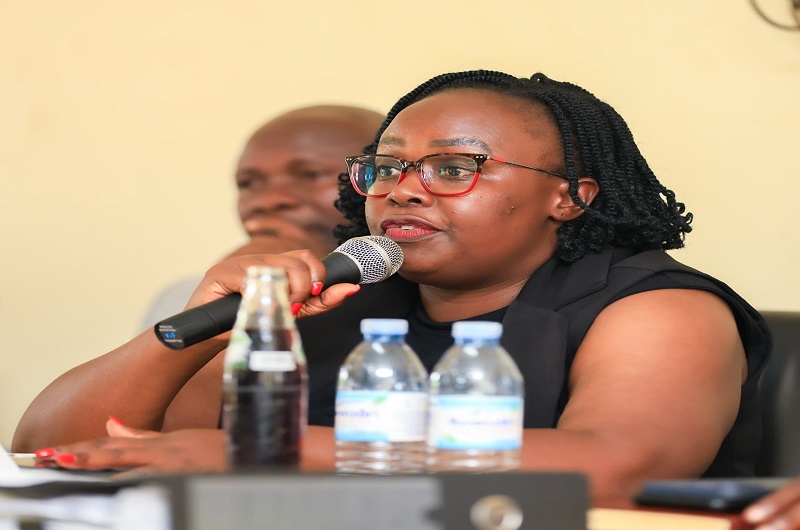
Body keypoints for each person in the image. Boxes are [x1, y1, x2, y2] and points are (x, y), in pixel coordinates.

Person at [13, 70, 771, 505]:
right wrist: (204, 313)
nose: (403, 190)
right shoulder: (333, 293)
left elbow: (615, 467)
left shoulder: (658, 306)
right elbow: (54, 451)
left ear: (568, 195)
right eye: (385, 167)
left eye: (453, 168)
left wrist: (261, 455)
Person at [139, 104, 386, 329]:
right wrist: (235, 301)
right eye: (248, 183)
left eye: (310, 174)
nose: (267, 200)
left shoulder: (420, 299)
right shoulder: (185, 298)